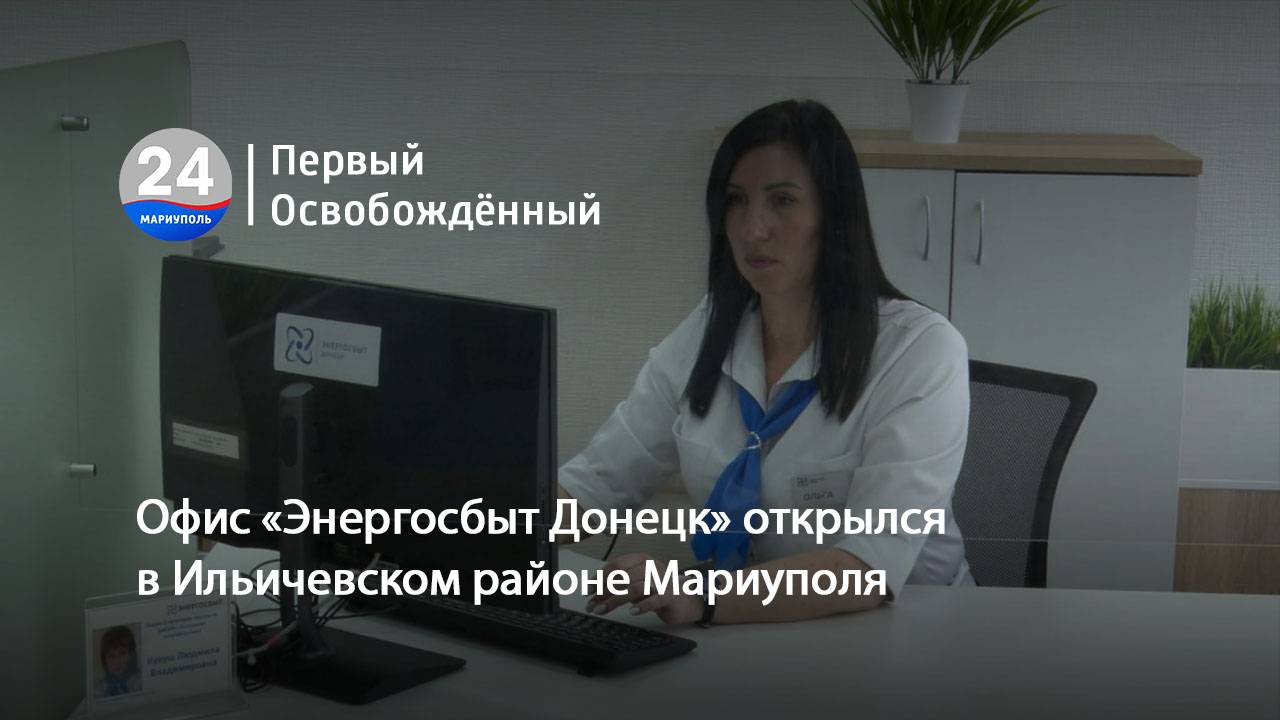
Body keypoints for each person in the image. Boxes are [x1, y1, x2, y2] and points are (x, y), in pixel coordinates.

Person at [557, 99, 972, 625]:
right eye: (736, 201)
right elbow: (597, 484)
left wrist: (698, 592)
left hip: (913, 628)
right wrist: (482, 528)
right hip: (754, 620)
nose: (752, 229)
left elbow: (866, 567)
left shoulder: (921, 349)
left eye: (782, 201)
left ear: (833, 216)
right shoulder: (711, 330)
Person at [98, 625, 141, 697]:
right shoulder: (99, 689)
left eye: (123, 653)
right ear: (104, 661)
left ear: (132, 655)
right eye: (111, 656)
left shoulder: (140, 680)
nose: (117, 661)